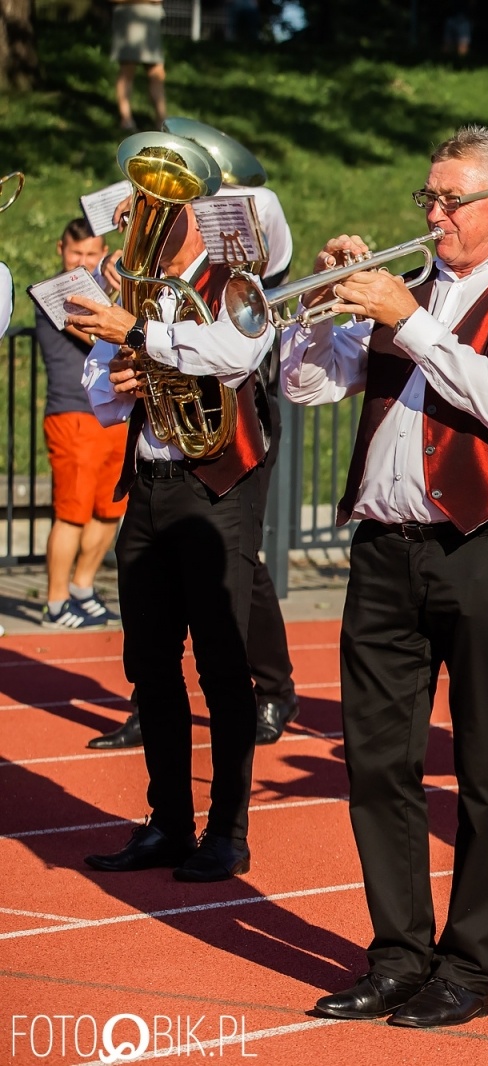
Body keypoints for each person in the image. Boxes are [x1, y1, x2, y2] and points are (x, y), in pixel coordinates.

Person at [285, 126, 488, 1029]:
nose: (433, 214)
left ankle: (469, 967)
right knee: (378, 763)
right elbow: (308, 387)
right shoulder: (407, 293)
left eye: (450, 200)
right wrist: (321, 311)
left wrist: (403, 319)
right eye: (428, 196)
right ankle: (396, 953)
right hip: (386, 548)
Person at [69, 198, 275, 885]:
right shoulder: (137, 293)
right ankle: (168, 822)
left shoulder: (235, 282)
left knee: (221, 665)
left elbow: (238, 355)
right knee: (149, 665)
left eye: (158, 211)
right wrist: (124, 380)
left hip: (216, 487)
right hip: (151, 487)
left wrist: (146, 341)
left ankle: (227, 832)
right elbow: (96, 385)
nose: (143, 226)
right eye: (137, 213)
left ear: (192, 215)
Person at [33, 220, 125, 632]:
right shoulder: (54, 292)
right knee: (71, 513)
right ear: (61, 249)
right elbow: (100, 335)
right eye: (76, 254)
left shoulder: (110, 291)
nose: (84, 263)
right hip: (72, 413)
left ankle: (83, 588)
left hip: (115, 414)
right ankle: (55, 601)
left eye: (92, 255)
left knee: (110, 510)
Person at [111, 0, 166, 131]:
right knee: (127, 70)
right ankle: (126, 119)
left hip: (150, 23)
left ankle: (162, 121)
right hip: (130, 20)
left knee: (157, 73)